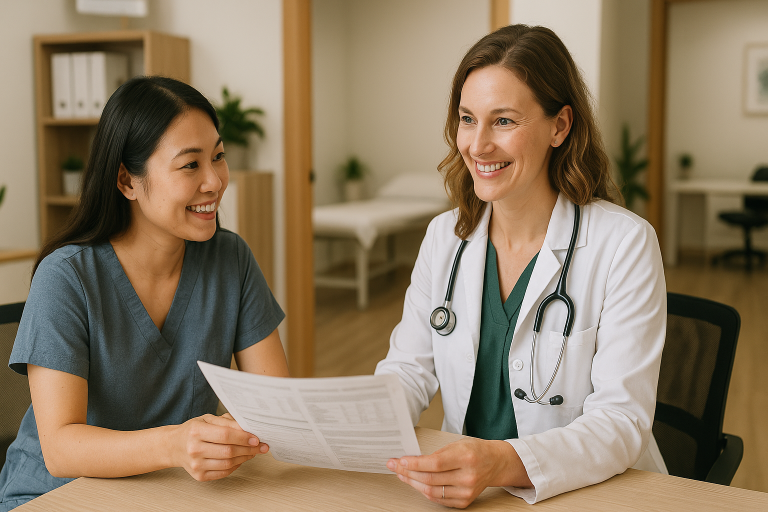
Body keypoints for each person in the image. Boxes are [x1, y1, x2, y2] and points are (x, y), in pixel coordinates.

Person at [376, 25, 667, 507]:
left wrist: (500, 462)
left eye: (504, 121)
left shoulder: (624, 243)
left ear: (560, 126)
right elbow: (407, 371)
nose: (477, 145)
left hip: (586, 491)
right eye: (467, 119)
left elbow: (620, 420)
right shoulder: (444, 238)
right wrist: (343, 423)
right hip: (465, 492)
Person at [0, 76, 289, 511]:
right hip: (57, 495)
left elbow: (274, 399)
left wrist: (229, 437)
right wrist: (177, 444)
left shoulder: (230, 258)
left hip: (172, 491)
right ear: (127, 181)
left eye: (219, 156)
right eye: (190, 165)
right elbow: (60, 448)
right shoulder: (66, 278)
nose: (215, 181)